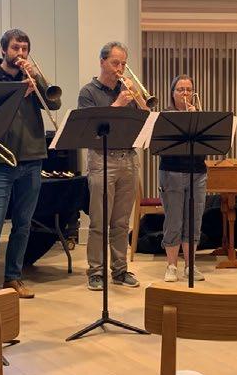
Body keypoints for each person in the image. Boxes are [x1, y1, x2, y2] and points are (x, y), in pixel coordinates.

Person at [0, 28, 61, 298]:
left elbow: (54, 104)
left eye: (24, 49)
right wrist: (17, 95)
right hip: (0, 159)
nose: (20, 53)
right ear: (3, 50)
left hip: (32, 157)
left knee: (23, 224)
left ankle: (13, 277)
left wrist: (37, 80)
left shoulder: (31, 76)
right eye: (15, 48)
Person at [78, 41, 148, 291]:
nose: (120, 68)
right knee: (99, 221)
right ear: (102, 62)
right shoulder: (88, 92)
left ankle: (120, 270)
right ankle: (96, 271)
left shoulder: (127, 89)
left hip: (128, 158)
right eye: (115, 63)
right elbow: (90, 128)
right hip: (101, 159)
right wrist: (118, 103)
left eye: (123, 64)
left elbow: (147, 117)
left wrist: (138, 97)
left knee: (121, 222)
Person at [158, 74, 207, 283]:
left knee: (194, 221)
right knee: (174, 221)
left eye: (188, 89)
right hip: (172, 172)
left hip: (198, 172)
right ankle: (171, 266)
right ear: (172, 93)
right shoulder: (166, 116)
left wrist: (197, 120)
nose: (185, 93)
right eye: (180, 89)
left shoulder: (199, 116)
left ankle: (190, 266)